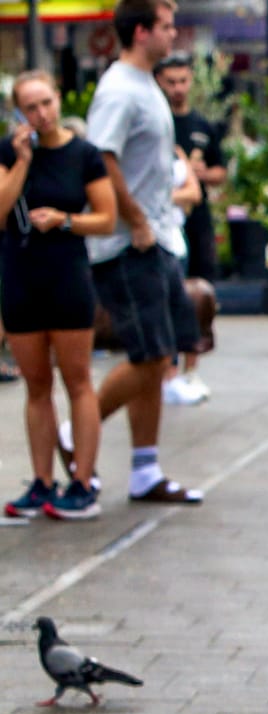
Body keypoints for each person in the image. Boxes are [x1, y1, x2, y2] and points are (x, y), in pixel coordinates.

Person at [84, 0, 203, 505]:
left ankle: (144, 469)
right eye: (166, 26)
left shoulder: (146, 84)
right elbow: (100, 156)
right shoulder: (117, 90)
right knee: (150, 354)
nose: (173, 34)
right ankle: (76, 432)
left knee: (163, 351)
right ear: (139, 32)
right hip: (129, 243)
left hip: (157, 237)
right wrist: (132, 218)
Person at [0, 70, 114, 522]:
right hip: (21, 276)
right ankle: (41, 481)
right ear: (18, 111)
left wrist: (65, 220)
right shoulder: (10, 152)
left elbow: (106, 218)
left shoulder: (83, 154)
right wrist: (23, 162)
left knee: (77, 379)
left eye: (46, 103)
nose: (41, 114)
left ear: (58, 99)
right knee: (36, 385)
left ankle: (82, 481)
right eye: (31, 107)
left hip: (67, 275)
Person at [156, 52, 222, 405]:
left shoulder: (202, 126)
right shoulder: (156, 123)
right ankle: (167, 370)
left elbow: (219, 171)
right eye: (171, 82)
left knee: (197, 293)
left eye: (183, 81)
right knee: (166, 295)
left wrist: (197, 175)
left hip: (195, 222)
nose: (178, 88)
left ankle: (190, 369)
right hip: (163, 226)